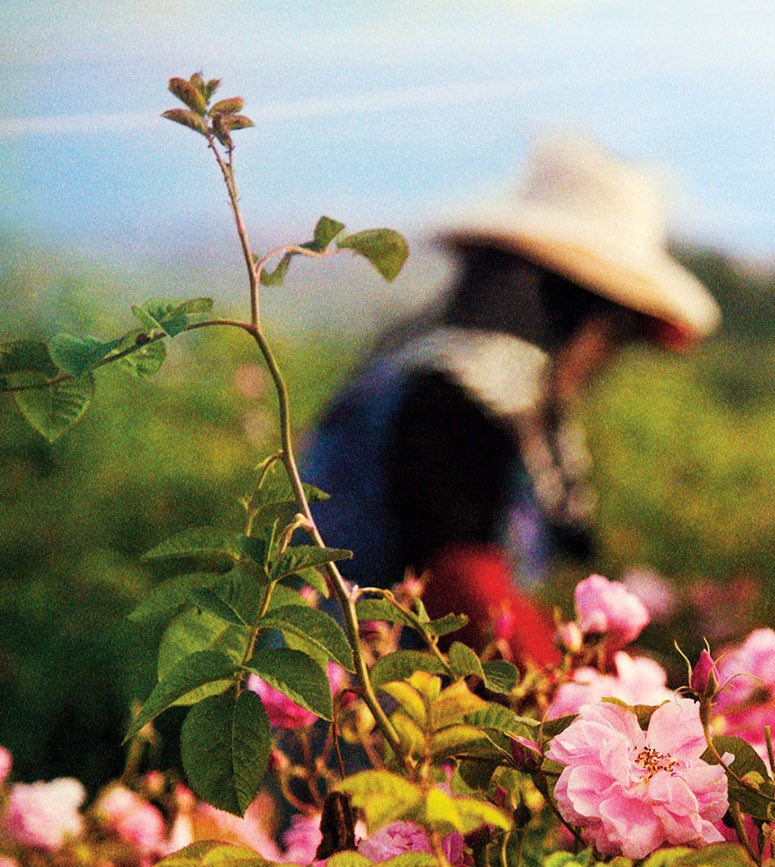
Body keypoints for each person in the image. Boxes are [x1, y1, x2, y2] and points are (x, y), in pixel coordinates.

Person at [302, 137, 719, 665]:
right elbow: (461, 587)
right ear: (577, 315)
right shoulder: (456, 395)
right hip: (355, 716)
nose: (606, 359)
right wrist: (579, 697)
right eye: (614, 333)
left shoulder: (450, 378)